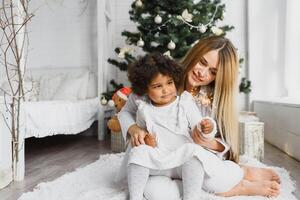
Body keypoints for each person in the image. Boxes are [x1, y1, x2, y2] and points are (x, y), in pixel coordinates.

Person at [118, 36, 280, 198]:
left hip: (191, 159)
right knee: (153, 191)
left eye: (213, 72)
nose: (201, 73)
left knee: (206, 177)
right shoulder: (158, 78)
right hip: (161, 160)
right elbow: (125, 112)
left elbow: (222, 141)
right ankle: (231, 187)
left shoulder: (208, 100)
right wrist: (133, 128)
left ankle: (240, 181)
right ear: (194, 55)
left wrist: (207, 140)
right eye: (202, 62)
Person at [125, 52, 244, 200]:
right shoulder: (144, 109)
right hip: (160, 160)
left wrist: (207, 127)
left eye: (169, 83)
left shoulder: (184, 102)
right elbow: (144, 133)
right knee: (138, 153)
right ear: (145, 90)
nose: (165, 90)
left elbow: (199, 125)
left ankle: (191, 196)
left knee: (193, 153)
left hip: (182, 158)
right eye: (157, 86)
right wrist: (147, 141)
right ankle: (134, 197)